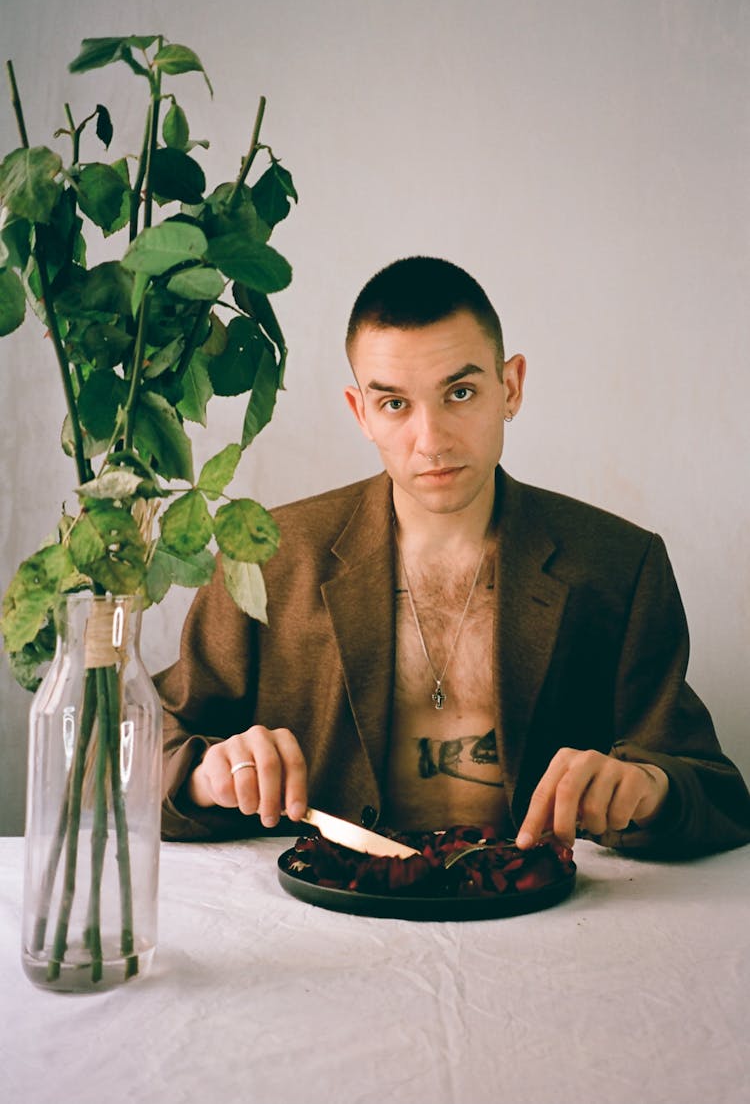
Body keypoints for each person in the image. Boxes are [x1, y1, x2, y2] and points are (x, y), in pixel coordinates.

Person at [157, 256, 750, 858]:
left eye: (460, 393)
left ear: (510, 387)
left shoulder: (619, 565)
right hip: (327, 920)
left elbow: (717, 793)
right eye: (394, 405)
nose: (432, 440)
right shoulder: (267, 558)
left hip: (548, 921)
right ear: (360, 411)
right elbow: (136, 748)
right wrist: (207, 776)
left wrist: (649, 788)